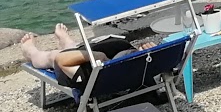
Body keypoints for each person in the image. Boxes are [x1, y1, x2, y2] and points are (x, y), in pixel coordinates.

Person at [18, 24, 156, 88]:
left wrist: (99, 56)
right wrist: (151, 51)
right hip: (114, 60)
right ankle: (68, 43)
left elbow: (62, 60)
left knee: (54, 56)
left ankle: (32, 53)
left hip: (80, 68)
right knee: (79, 48)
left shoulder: (92, 76)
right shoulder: (142, 67)